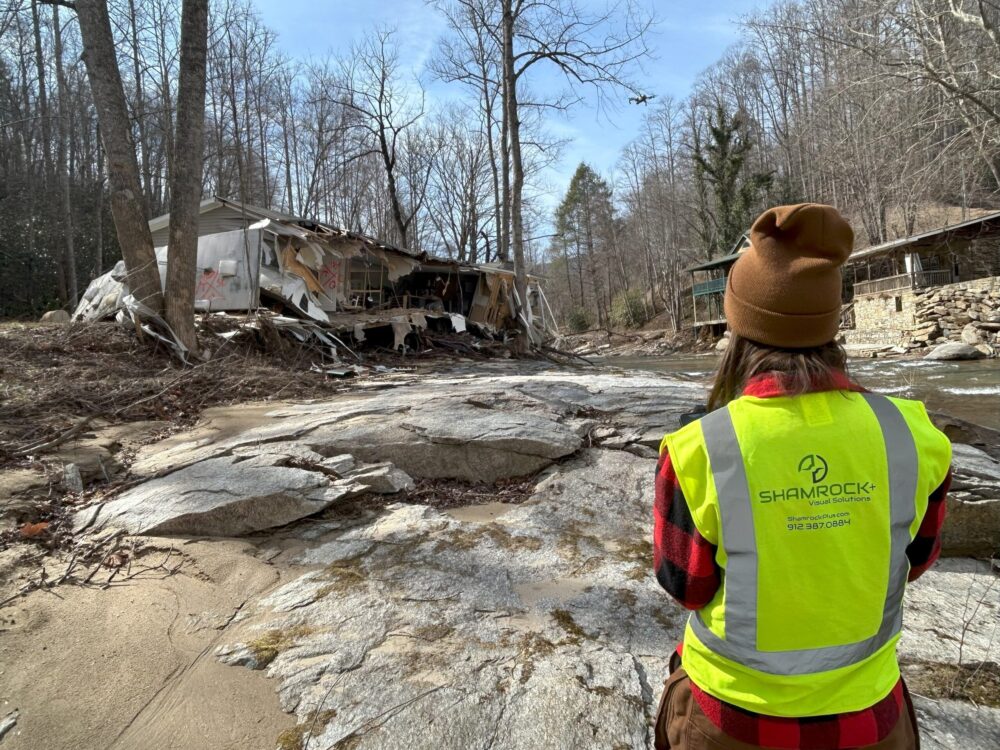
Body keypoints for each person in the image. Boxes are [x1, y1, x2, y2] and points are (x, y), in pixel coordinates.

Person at [652, 204, 952, 750]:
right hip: (870, 719)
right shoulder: (914, 434)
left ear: (739, 327)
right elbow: (916, 562)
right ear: (830, 323)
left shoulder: (698, 446)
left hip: (731, 718)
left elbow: (686, 586)